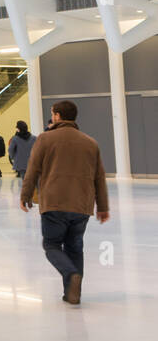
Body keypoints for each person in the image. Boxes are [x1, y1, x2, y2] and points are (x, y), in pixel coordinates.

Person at [19, 100, 109, 305]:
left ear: (58, 116)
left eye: (52, 114)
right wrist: (102, 207)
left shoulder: (45, 139)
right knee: (75, 248)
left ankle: (70, 275)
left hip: (54, 202)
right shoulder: (90, 142)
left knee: (51, 245)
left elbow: (32, 169)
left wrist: (25, 195)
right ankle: (72, 293)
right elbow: (99, 177)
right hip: (82, 206)